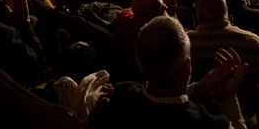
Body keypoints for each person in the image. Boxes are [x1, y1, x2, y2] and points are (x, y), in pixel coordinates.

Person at [91, 16, 250, 129]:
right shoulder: (212, 123)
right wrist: (229, 97)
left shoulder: (122, 93)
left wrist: (198, 89)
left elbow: (160, 102)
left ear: (139, 62)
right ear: (188, 67)